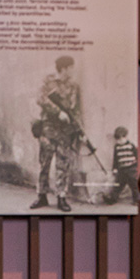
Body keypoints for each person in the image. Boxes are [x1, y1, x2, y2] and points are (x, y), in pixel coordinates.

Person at [31, 56, 82, 212]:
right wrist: (58, 112)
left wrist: (79, 128)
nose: (73, 71)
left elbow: (76, 109)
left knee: (63, 165)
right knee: (44, 163)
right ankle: (42, 196)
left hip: (65, 131)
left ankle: (61, 197)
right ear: (64, 68)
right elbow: (40, 99)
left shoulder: (74, 85)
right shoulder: (49, 82)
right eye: (71, 67)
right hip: (48, 128)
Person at [107, 126, 138, 204]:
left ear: (125, 137)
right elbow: (116, 159)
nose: (119, 141)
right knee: (118, 185)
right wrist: (114, 168)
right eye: (117, 139)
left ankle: (136, 200)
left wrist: (137, 166)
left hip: (131, 169)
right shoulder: (117, 147)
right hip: (122, 169)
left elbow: (137, 156)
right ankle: (112, 199)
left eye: (121, 139)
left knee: (134, 185)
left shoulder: (131, 145)